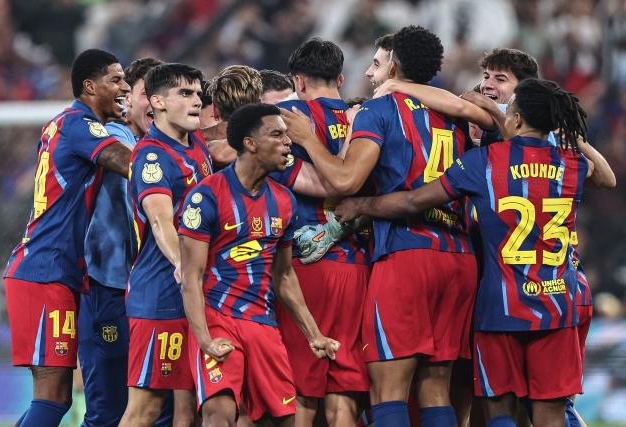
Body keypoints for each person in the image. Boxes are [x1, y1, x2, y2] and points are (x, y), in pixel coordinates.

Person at [333, 78, 592, 427]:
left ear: (514, 120)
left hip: (500, 307)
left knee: (498, 413)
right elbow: (604, 176)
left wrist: (361, 203)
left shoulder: (484, 161)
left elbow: (413, 200)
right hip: (557, 305)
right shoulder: (573, 165)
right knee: (550, 418)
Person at [280, 26, 476, 427]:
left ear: (395, 67)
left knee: (388, 392)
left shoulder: (379, 110)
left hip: (406, 252)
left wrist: (308, 140)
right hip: (459, 256)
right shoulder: (455, 112)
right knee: (436, 390)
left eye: (377, 64)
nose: (369, 75)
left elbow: (346, 180)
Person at [177, 103, 340, 426]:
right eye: (277, 135)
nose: (287, 142)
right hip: (217, 318)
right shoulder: (206, 196)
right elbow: (190, 278)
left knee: (283, 419)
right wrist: (204, 338)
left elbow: (284, 275)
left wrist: (314, 334)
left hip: (261, 323)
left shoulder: (284, 201)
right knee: (219, 412)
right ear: (250, 144)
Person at [3, 48, 132, 427]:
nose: (123, 87)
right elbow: (129, 164)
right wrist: (179, 152)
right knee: (54, 396)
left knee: (55, 397)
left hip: (54, 270)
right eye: (116, 80)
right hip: (45, 270)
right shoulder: (80, 123)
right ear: (90, 87)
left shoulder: (67, 124)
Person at [269, 37, 371, 427]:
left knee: (301, 390)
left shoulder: (286, 115)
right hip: (357, 265)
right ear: (341, 78)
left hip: (303, 266)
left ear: (299, 80)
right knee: (344, 388)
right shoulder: (365, 118)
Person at [78, 57, 172, 427]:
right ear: (127, 100)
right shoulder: (114, 137)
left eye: (163, 95)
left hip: (151, 294)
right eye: (148, 93)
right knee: (109, 409)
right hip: (109, 289)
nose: (156, 103)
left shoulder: (163, 146)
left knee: (159, 408)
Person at [119, 63, 212, 427]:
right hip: (161, 297)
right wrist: (187, 271)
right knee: (146, 409)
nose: (195, 102)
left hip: (194, 295)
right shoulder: (152, 155)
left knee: (187, 412)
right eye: (185, 94)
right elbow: (161, 221)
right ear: (156, 101)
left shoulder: (198, 147)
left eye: (198, 95)